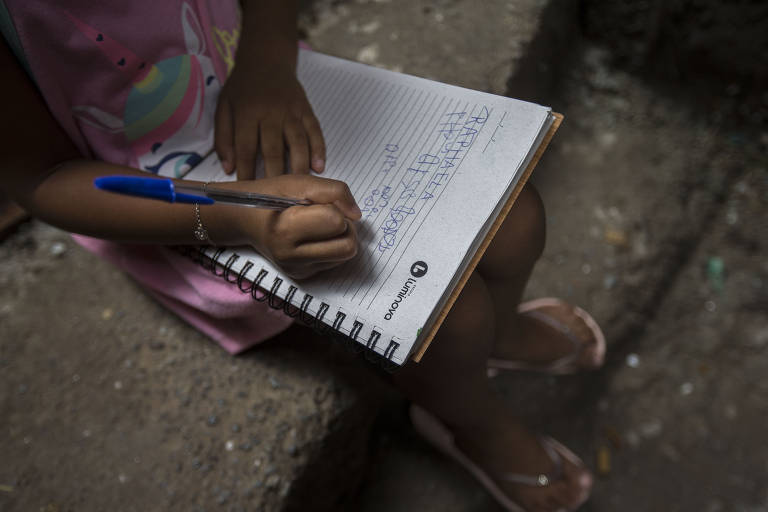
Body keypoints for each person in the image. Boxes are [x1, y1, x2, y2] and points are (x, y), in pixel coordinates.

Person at [0, 1, 605, 510]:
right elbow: (47, 179)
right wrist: (233, 215)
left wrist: (266, 57)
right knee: (448, 318)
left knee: (519, 218)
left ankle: (499, 335)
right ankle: (476, 424)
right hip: (174, 199)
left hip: (274, 90)